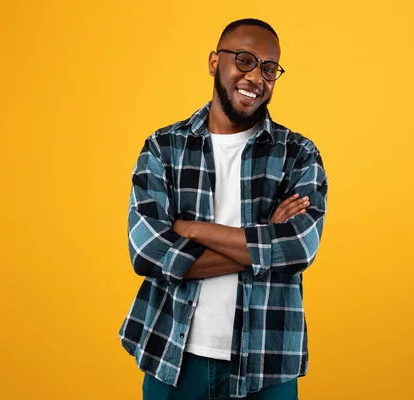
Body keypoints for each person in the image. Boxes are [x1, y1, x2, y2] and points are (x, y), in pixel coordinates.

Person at [119, 18, 328, 399]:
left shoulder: (298, 154)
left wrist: (191, 229)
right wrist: (265, 241)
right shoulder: (164, 148)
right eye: (244, 60)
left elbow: (300, 247)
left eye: (268, 68)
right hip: (171, 354)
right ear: (215, 62)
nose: (256, 78)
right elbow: (147, 252)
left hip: (268, 359)